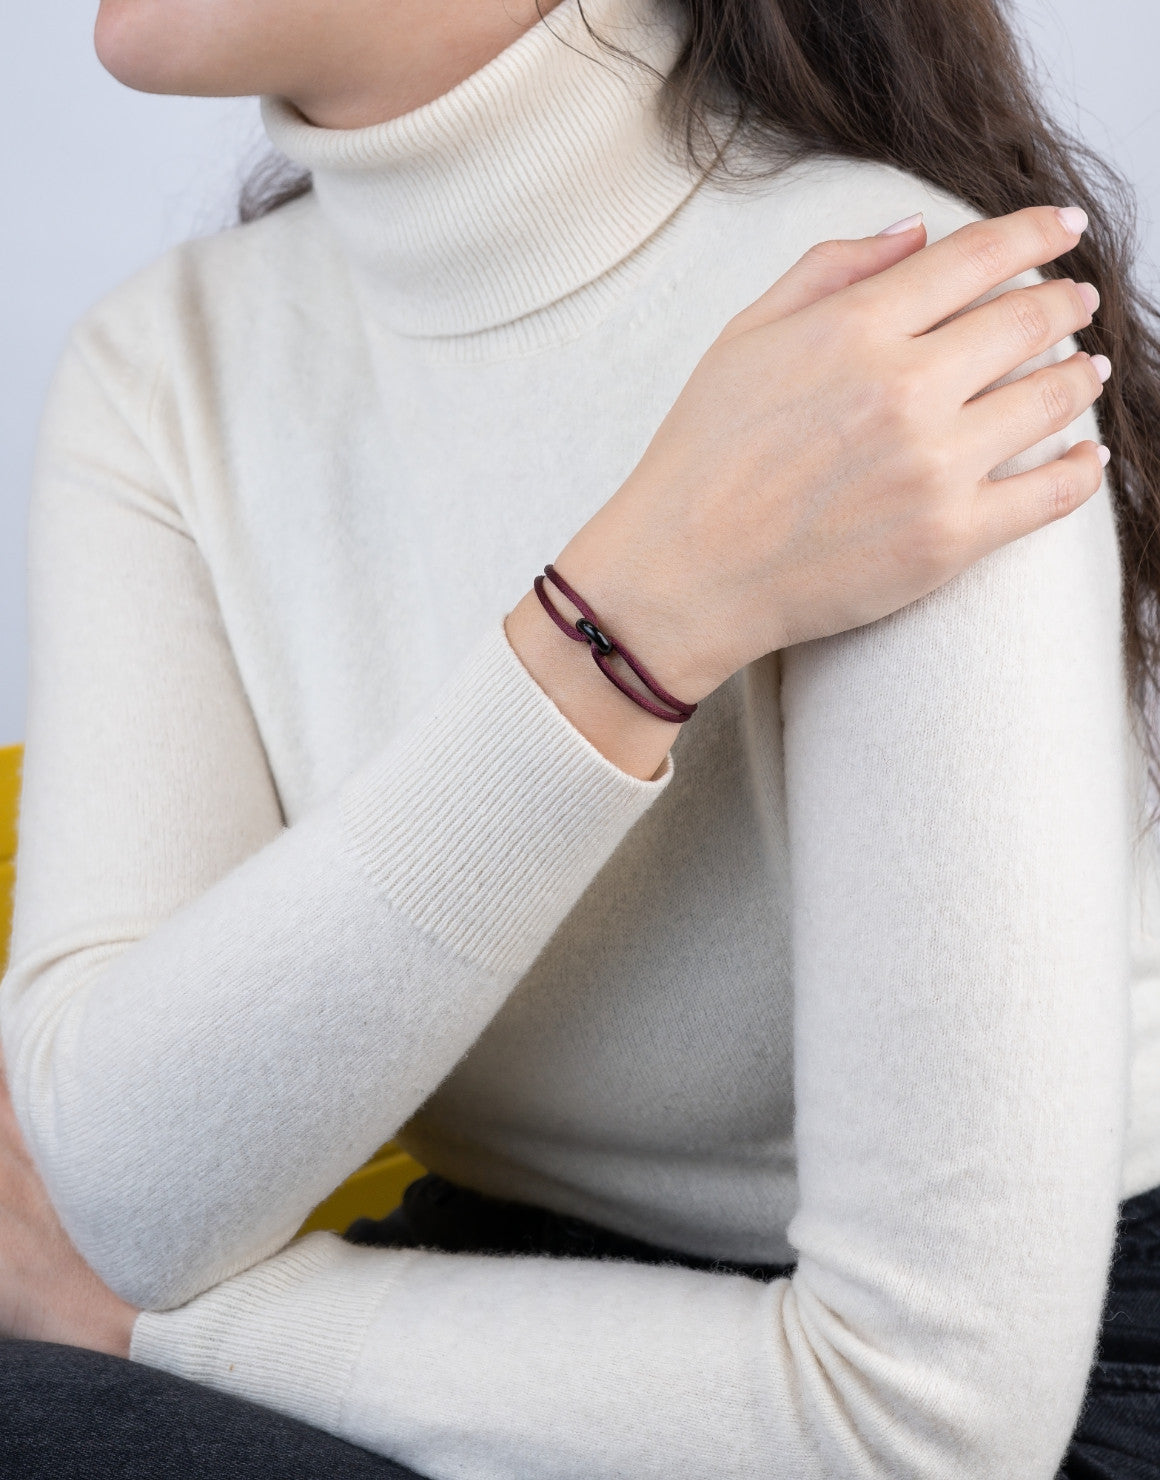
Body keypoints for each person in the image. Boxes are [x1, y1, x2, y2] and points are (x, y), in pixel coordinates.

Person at [0, 0, 1157, 1474]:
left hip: (1037, 1393)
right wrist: (635, 608)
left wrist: (151, 1335)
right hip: (482, 1285)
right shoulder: (160, 369)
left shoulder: (901, 344)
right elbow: (121, 1194)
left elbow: (924, 1423)